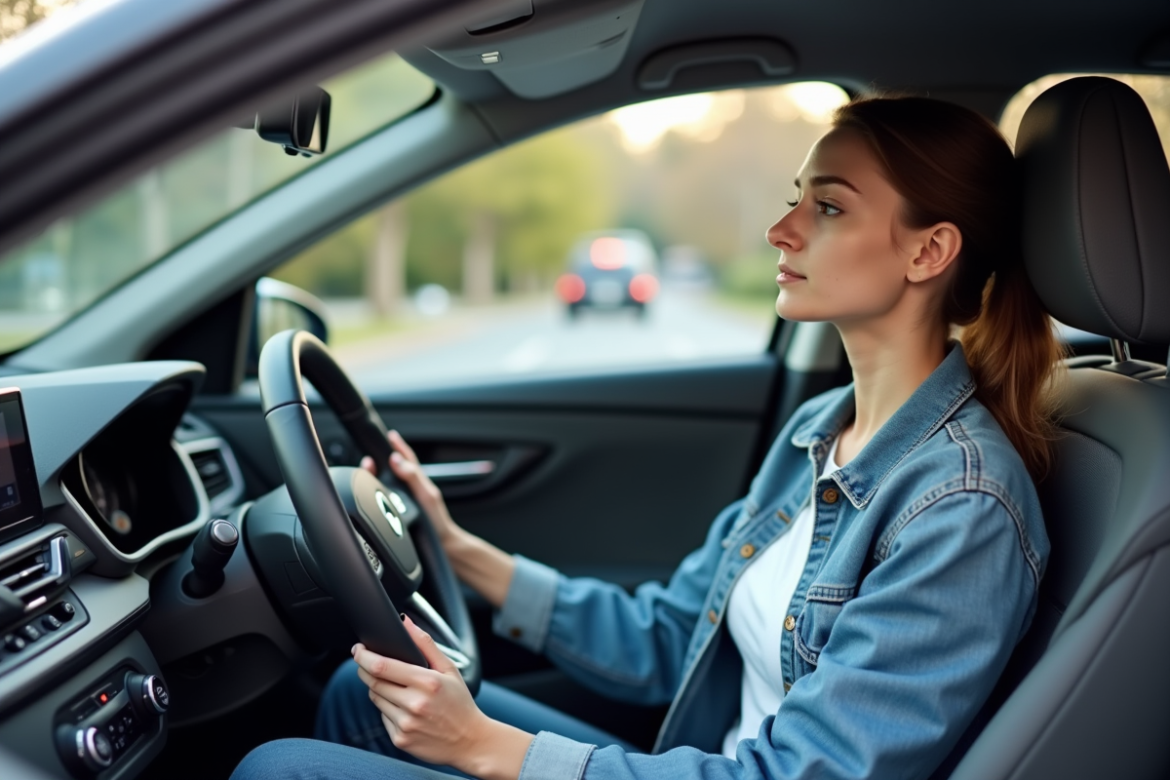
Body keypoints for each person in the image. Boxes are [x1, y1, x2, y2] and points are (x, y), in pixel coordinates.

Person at [232, 95, 1060, 780]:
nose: (782, 230)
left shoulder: (963, 505)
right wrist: (458, 549)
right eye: (794, 197)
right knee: (355, 694)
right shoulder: (821, 432)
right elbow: (669, 636)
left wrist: (489, 748)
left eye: (828, 207)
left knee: (278, 771)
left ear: (930, 251)